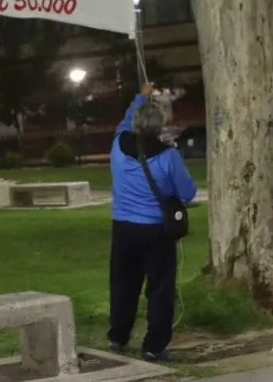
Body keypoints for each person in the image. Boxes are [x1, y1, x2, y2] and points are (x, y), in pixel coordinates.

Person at [108, 82, 198, 362]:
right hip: (156, 231)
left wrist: (141, 96)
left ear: (135, 123)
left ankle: (118, 336)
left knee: (123, 284)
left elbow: (126, 118)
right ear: (160, 127)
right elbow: (187, 192)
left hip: (123, 228)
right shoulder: (168, 156)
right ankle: (153, 345)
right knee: (159, 289)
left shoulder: (119, 144)